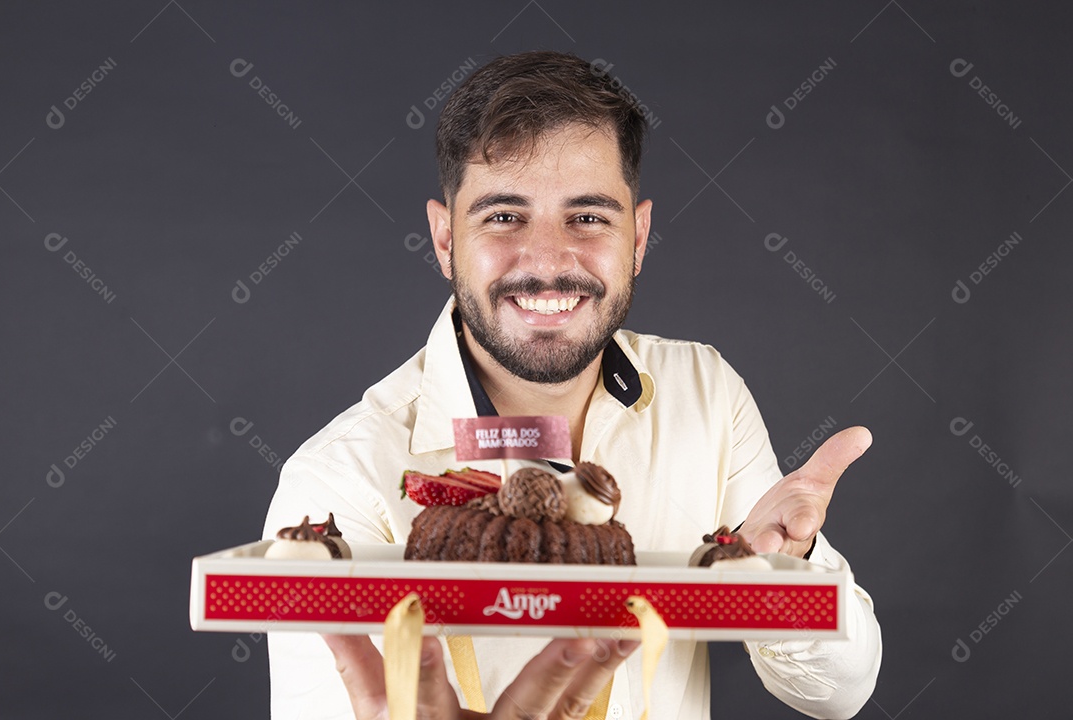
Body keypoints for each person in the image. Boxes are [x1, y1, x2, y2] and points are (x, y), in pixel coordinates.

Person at [264, 50, 881, 719]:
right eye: (504, 216)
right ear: (445, 239)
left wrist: (790, 573)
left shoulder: (703, 392)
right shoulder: (339, 478)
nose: (550, 262)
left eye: (588, 217)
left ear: (638, 237)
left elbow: (838, 695)